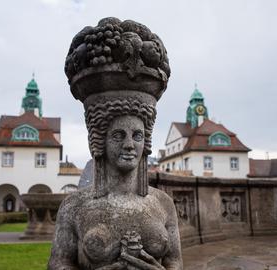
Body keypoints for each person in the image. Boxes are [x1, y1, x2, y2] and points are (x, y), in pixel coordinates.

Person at [48, 17, 182, 269]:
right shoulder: (74, 206)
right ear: (101, 140)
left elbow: (175, 262)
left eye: (138, 135)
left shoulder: (163, 203)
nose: (130, 144)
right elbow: (58, 264)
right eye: (118, 135)